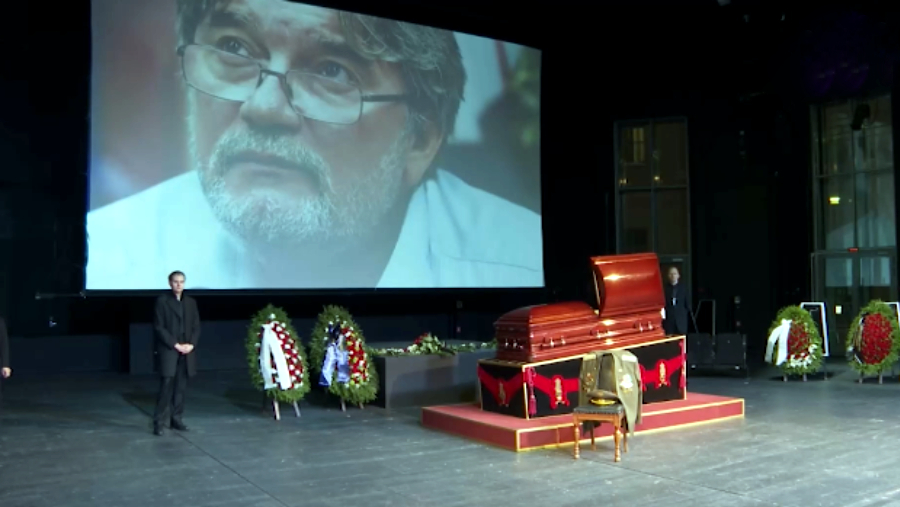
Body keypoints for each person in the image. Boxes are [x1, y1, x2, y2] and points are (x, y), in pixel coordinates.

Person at [86, 0, 543, 290]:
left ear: (419, 139)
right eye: (234, 48)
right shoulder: (107, 257)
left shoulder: (518, 269)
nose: (265, 108)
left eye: (331, 71)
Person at [152, 271, 201, 436]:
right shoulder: (162, 301)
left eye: (181, 282)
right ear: (170, 283)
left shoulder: (190, 302)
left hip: (186, 349)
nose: (179, 285)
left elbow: (196, 326)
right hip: (170, 349)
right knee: (166, 385)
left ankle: (176, 418)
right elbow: (159, 327)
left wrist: (191, 344)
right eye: (175, 282)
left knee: (181, 386)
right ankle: (159, 422)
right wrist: (175, 344)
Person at [663, 266, 690, 336]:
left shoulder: (683, 288)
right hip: (669, 322)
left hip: (681, 321)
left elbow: (687, 305)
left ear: (678, 276)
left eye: (675, 274)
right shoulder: (665, 289)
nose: (673, 276)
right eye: (671, 274)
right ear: (668, 276)